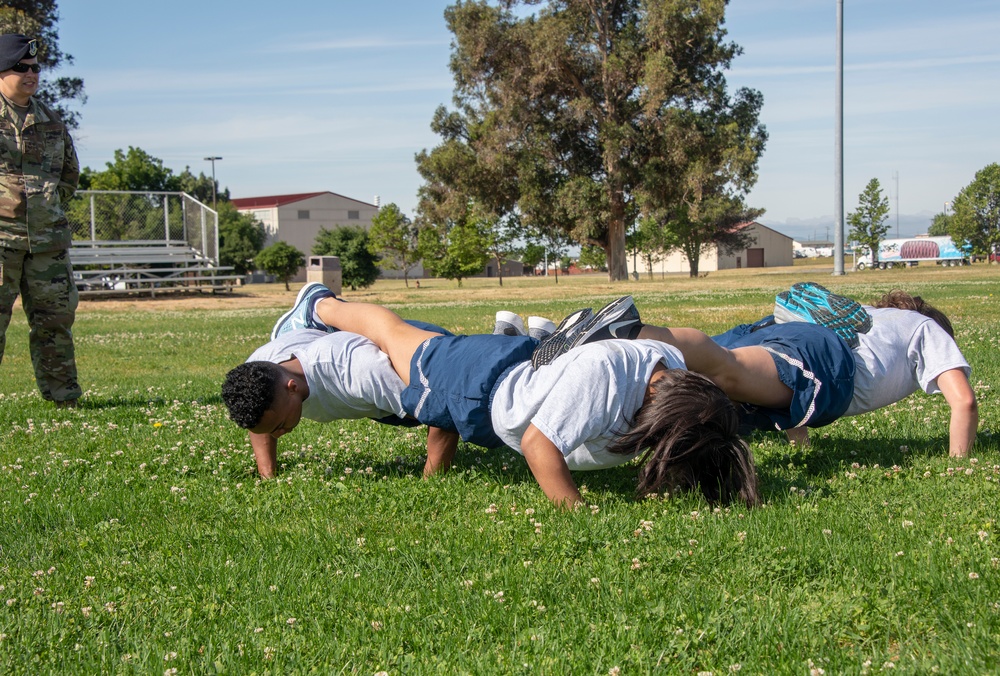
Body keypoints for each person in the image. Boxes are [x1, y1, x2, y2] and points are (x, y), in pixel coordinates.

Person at [270, 284, 760, 509]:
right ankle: (320, 306)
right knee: (395, 341)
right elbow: (537, 446)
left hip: (523, 364)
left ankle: (517, 336)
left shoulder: (669, 365)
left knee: (426, 389)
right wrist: (576, 514)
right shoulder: (602, 377)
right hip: (478, 389)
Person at [222, 284, 461, 478]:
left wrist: (432, 480)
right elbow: (261, 420)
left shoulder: (357, 370)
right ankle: (309, 321)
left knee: (465, 390)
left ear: (292, 387)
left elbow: (441, 407)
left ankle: (318, 309)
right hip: (327, 352)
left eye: (280, 426)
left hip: (389, 348)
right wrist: (267, 476)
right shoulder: (257, 372)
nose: (281, 433)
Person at [711, 289, 977, 457]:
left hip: (774, 329)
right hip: (825, 363)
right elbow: (964, 401)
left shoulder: (874, 314)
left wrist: (801, 448)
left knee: (688, 362)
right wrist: (957, 464)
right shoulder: (927, 328)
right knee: (713, 385)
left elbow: (799, 391)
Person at [0, 34, 82, 407]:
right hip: (1, 240)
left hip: (47, 243)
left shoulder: (50, 119)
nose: (32, 74)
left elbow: (69, 176)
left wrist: (44, 206)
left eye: (35, 68)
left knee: (55, 323)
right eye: (22, 68)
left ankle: (63, 399)